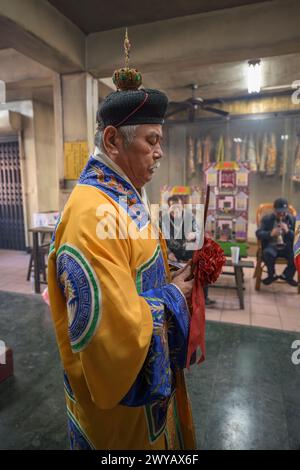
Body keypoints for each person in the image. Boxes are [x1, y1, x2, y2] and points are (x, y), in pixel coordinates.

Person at [47, 44, 196, 449]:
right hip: (120, 410)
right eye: (151, 140)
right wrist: (174, 294)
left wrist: (174, 267)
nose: (160, 151)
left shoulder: (123, 194)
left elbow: (138, 262)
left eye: (159, 140)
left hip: (146, 398)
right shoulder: (90, 214)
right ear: (113, 140)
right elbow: (109, 332)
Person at [161, 195, 216, 306]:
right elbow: (160, 240)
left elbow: (199, 232)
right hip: (172, 253)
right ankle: (178, 297)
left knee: (203, 261)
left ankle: (203, 298)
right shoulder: (163, 220)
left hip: (187, 250)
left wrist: (194, 234)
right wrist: (169, 252)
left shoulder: (189, 217)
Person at [256, 197, 297, 286]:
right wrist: (270, 233)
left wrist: (288, 231)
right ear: (274, 210)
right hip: (272, 246)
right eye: (279, 212)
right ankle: (272, 275)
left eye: (284, 212)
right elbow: (258, 233)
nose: (281, 214)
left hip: (287, 247)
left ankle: (287, 275)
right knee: (267, 253)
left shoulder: (293, 219)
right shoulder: (267, 219)